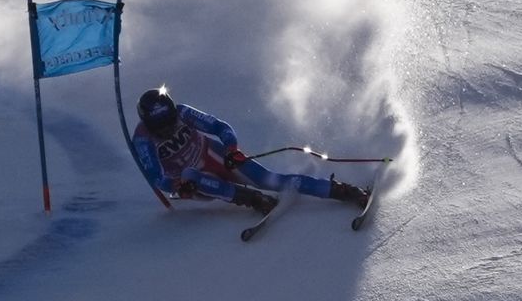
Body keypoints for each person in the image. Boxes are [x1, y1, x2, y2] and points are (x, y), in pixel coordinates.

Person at [132, 86, 369, 215]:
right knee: (190, 176)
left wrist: (231, 149)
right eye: (160, 129)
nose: (168, 130)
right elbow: (157, 178)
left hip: (212, 155)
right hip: (190, 183)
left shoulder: (183, 112)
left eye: (171, 123)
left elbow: (219, 127)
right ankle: (252, 200)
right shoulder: (143, 140)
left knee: (271, 180)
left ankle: (342, 191)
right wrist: (174, 186)